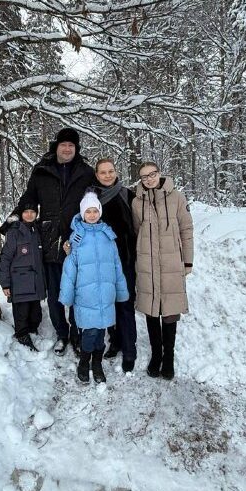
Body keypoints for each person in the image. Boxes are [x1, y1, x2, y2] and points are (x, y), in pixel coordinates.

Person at [2, 127, 95, 355]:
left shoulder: (85, 172)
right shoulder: (42, 171)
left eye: (71, 146)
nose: (67, 149)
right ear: (56, 147)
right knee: (54, 295)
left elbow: (95, 202)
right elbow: (28, 199)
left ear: (76, 149)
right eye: (63, 145)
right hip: (49, 240)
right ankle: (62, 335)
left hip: (77, 241)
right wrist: (13, 220)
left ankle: (77, 334)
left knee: (77, 293)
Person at [131, 161, 194, 380]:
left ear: (159, 174)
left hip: (171, 263)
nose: (149, 179)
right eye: (144, 176)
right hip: (147, 263)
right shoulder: (137, 202)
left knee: (169, 311)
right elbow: (137, 231)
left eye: (152, 174)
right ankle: (156, 354)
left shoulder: (176, 197)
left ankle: (169, 357)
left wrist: (188, 261)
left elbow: (186, 229)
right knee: (151, 309)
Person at [59, 191, 129, 383]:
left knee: (101, 333)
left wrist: (121, 291)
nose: (91, 215)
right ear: (82, 213)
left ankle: (97, 363)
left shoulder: (108, 235)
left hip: (106, 295)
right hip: (86, 295)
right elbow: (70, 267)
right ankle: (84, 362)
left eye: (94, 211)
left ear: (99, 211)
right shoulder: (76, 238)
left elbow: (116, 265)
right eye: (88, 211)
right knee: (89, 333)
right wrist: (67, 295)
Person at [89, 158, 138, 372]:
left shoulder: (127, 194)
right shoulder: (91, 198)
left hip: (125, 260)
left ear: (116, 172)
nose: (107, 175)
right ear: (97, 174)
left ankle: (130, 351)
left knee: (125, 305)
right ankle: (115, 341)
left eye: (110, 171)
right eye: (103, 172)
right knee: (108, 304)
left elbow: (141, 224)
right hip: (102, 262)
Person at [0, 200, 45, 351]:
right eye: (26, 212)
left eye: (32, 212)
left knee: (36, 313)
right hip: (20, 282)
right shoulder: (14, 232)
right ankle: (22, 335)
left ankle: (32, 330)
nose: (29, 214)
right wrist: (5, 283)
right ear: (21, 214)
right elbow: (5, 258)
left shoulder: (38, 230)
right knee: (21, 312)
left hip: (36, 282)